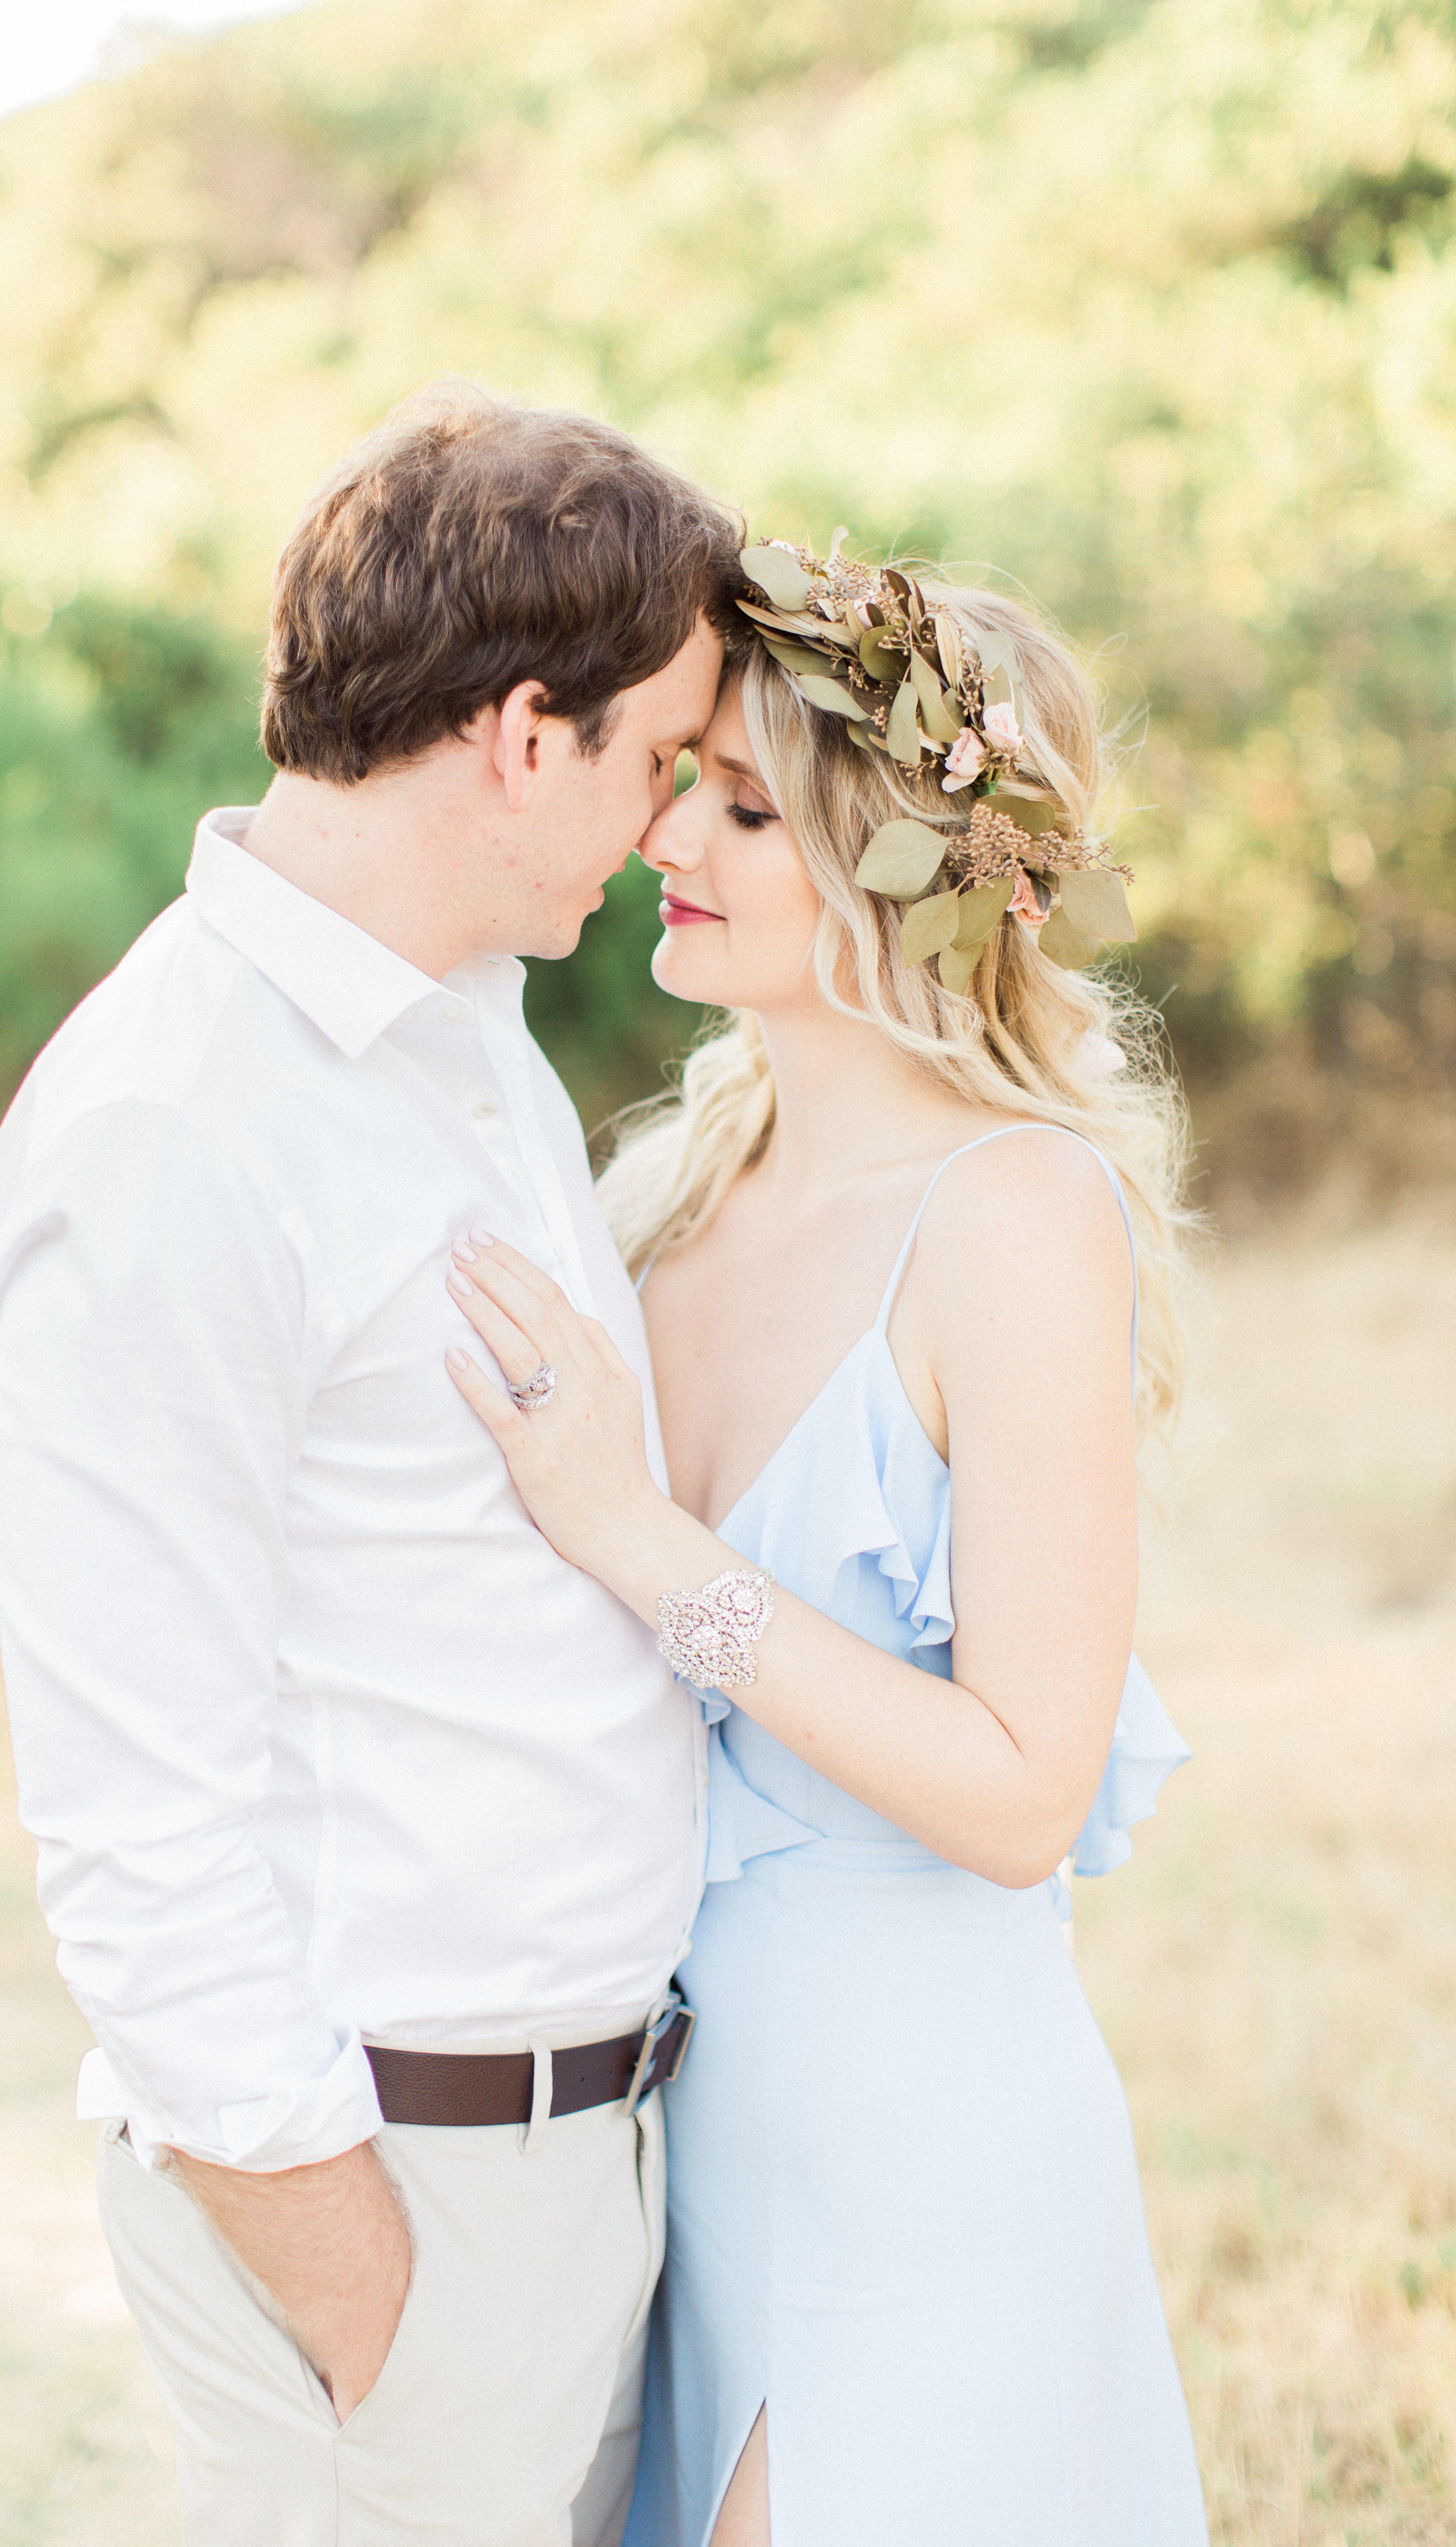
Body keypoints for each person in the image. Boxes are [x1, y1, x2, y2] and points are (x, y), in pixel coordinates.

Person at [0, 381, 743, 2547]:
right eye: (662, 757)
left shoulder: (462, 1027)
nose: (672, 822)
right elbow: (135, 1833)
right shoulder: (171, 1134)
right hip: (393, 2206)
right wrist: (384, 2311)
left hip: (575, 2165)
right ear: (521, 735)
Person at [443, 546, 1210, 2546]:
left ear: (912, 875)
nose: (669, 832)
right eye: (687, 777)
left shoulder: (1015, 1217)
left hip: (927, 2142)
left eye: (748, 810)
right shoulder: (664, 1190)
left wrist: (635, 1533)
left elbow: (1025, 1789)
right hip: (670, 2142)